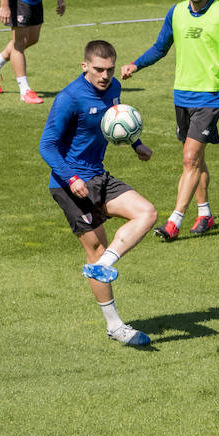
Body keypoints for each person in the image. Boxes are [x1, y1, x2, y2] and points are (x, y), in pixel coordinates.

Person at [120, 0, 219, 241]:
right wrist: (136, 64)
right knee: (197, 160)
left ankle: (174, 221)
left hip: (210, 96)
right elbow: (161, 47)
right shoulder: (176, 12)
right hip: (182, 94)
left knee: (190, 157)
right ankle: (204, 212)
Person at [39, 40, 158, 347]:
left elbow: (116, 118)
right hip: (70, 185)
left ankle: (105, 264)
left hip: (99, 175)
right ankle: (115, 326)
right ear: (85, 67)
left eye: (109, 69)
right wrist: (71, 177)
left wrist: (136, 144)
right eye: (98, 70)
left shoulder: (115, 86)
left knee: (147, 213)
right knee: (95, 248)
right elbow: (47, 145)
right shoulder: (69, 98)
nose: (105, 76)